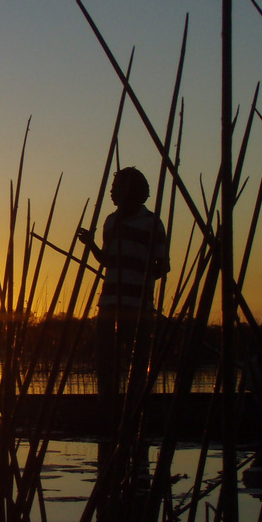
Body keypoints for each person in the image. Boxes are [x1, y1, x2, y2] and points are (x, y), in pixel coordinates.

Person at [75, 167, 170, 407]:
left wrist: (141, 276)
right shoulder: (111, 221)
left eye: (117, 189)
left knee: (138, 362)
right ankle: (107, 405)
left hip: (138, 307)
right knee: (106, 360)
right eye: (112, 189)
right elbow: (108, 261)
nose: (112, 194)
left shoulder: (152, 223)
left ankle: (135, 406)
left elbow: (163, 267)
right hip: (108, 304)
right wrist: (91, 245)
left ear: (132, 192)